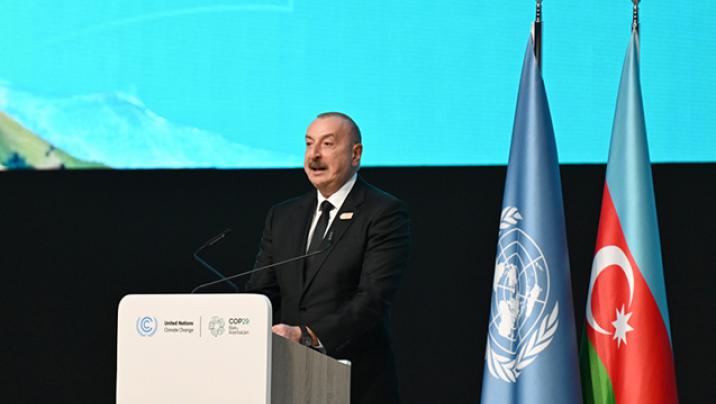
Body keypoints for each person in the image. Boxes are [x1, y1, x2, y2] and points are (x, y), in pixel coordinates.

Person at [245, 112, 411, 404]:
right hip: (287, 380)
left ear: (355, 154)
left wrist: (307, 335)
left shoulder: (383, 212)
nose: (314, 155)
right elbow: (262, 291)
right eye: (309, 144)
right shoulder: (283, 216)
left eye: (327, 144)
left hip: (356, 382)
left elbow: (372, 299)